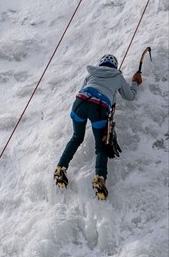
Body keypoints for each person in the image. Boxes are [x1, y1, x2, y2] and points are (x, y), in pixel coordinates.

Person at [54, 53, 141, 200]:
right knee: (101, 146)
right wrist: (135, 82)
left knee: (76, 137)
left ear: (101, 64)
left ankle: (60, 168)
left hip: (80, 103)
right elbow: (130, 96)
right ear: (114, 66)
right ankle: (100, 178)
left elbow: (82, 89)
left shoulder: (91, 74)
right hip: (99, 108)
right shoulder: (118, 76)